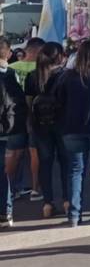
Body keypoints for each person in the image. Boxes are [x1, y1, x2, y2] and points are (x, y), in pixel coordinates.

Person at [55, 40, 90, 226]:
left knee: (75, 171)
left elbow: (58, 100)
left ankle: (73, 214)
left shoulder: (67, 76)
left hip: (71, 128)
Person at [26, 42, 69, 219]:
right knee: (66, 163)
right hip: (63, 125)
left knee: (45, 163)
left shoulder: (32, 76)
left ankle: (47, 203)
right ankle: (67, 201)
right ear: (59, 56)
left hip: (40, 125)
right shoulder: (65, 76)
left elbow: (28, 103)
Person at [9, 37, 45, 201]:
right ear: (37, 51)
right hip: (34, 115)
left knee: (14, 154)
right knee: (34, 153)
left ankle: (8, 189)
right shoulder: (40, 70)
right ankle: (35, 189)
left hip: (13, 116)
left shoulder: (11, 68)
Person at [0, 36, 26, 229]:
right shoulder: (11, 75)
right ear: (8, 53)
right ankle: (5, 211)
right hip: (8, 129)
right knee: (5, 172)